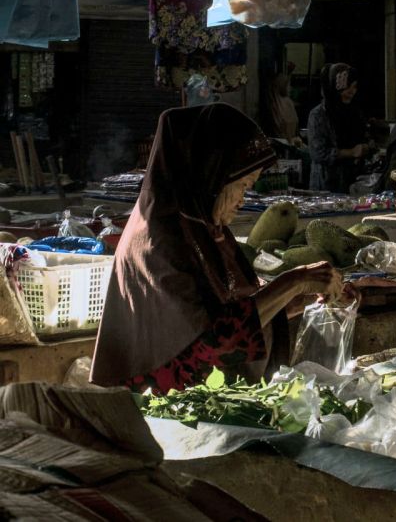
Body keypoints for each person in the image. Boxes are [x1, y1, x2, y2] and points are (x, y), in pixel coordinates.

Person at [90, 103, 346, 394]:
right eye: (242, 184)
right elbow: (209, 339)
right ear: (210, 174)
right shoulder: (161, 239)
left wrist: (290, 302)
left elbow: (232, 308)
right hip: (165, 409)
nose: (242, 198)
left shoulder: (203, 228)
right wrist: (293, 281)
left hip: (212, 398)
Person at [307, 63, 369, 193]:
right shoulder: (318, 115)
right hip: (326, 185)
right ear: (335, 88)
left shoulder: (355, 112)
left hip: (352, 181)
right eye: (347, 88)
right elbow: (319, 153)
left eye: (354, 87)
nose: (352, 92)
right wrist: (351, 152)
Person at [271, 73, 301, 146]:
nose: (290, 88)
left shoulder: (288, 102)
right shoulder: (275, 104)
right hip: (283, 143)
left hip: (292, 142)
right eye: (288, 85)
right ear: (282, 86)